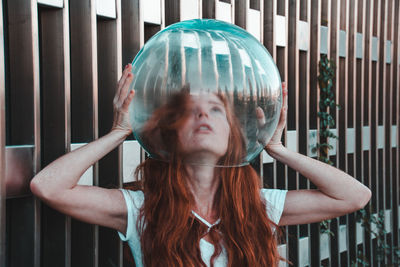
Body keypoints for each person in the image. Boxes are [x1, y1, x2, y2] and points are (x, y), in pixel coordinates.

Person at [30, 64, 372, 267]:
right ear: (172, 135)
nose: (203, 115)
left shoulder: (259, 205)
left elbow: (354, 196)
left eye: (215, 109)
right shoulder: (141, 209)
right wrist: (120, 132)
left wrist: (276, 147)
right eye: (190, 111)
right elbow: (48, 186)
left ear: (231, 136)